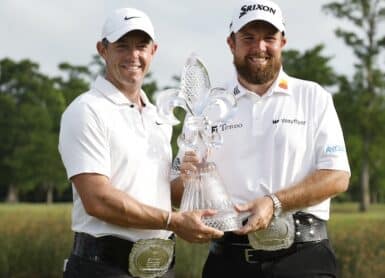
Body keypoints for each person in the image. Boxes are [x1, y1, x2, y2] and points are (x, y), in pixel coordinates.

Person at [172, 0, 351, 277]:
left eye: (269, 38)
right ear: (231, 43)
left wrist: (274, 202)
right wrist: (189, 181)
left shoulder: (313, 97)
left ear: (283, 41)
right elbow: (175, 189)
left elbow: (337, 176)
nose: (260, 47)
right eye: (248, 38)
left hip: (303, 258)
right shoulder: (205, 105)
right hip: (227, 260)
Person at [58, 7, 223, 278]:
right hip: (103, 268)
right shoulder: (86, 110)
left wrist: (191, 177)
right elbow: (97, 199)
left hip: (161, 267)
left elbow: (165, 194)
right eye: (122, 46)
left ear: (153, 51)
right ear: (103, 49)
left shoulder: (158, 114)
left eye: (141, 46)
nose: (133, 55)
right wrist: (173, 221)